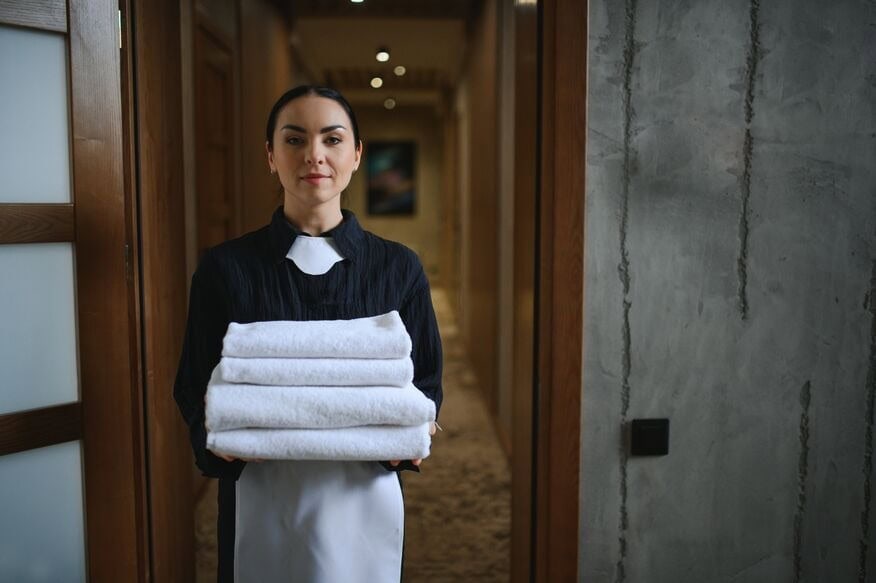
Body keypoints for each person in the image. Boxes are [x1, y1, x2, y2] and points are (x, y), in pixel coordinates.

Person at [173, 85, 443, 582]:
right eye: (294, 140)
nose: (314, 156)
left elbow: (424, 381)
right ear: (271, 156)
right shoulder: (226, 269)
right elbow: (193, 382)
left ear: (357, 155)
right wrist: (215, 438)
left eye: (332, 139)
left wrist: (411, 431)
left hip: (364, 490)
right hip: (258, 487)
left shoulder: (398, 268)